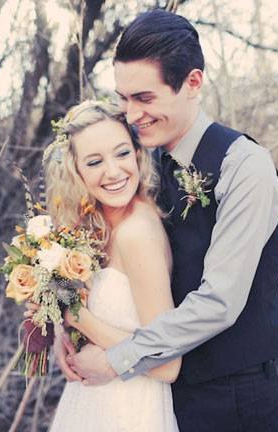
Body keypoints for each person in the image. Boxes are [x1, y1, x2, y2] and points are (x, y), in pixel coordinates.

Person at [60, 10, 278, 432]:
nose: (131, 114)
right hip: (155, 396)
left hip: (230, 401)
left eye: (144, 98)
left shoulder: (245, 168)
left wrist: (116, 358)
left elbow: (219, 303)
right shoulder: (139, 164)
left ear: (193, 83)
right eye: (124, 98)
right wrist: (69, 331)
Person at [41, 100, 180, 431]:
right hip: (92, 403)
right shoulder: (96, 226)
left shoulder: (137, 233)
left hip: (129, 411)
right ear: (75, 171)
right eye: (94, 162)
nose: (114, 171)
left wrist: (77, 317)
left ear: (137, 153)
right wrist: (64, 334)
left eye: (122, 153)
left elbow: (168, 364)